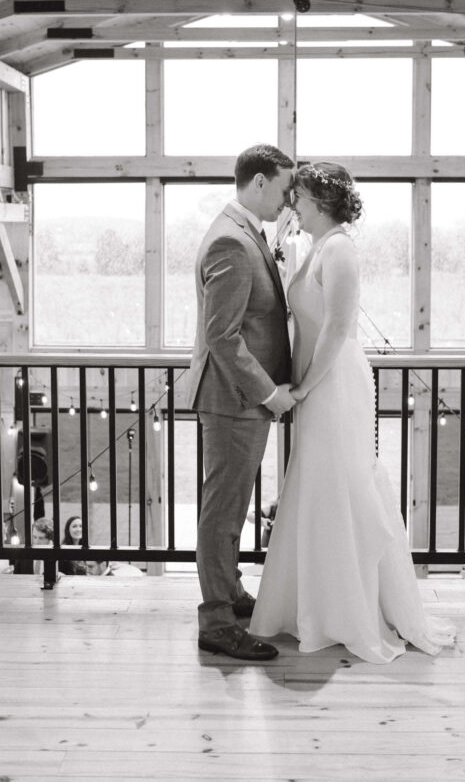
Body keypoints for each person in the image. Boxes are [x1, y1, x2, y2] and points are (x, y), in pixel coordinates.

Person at [250, 162, 455, 663]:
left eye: (297, 198)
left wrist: (303, 389)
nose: (291, 205)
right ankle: (314, 603)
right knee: (318, 486)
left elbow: (338, 330)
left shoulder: (340, 248)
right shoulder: (317, 245)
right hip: (318, 383)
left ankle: (348, 609)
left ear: (319, 202)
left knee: (339, 486)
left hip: (334, 384)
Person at [187, 143, 296, 661]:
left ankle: (229, 593)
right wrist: (270, 393)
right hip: (234, 398)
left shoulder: (248, 230)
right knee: (222, 510)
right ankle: (216, 621)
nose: (286, 198)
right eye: (282, 188)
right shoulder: (230, 242)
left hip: (240, 398)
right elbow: (222, 335)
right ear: (258, 183)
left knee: (231, 506)